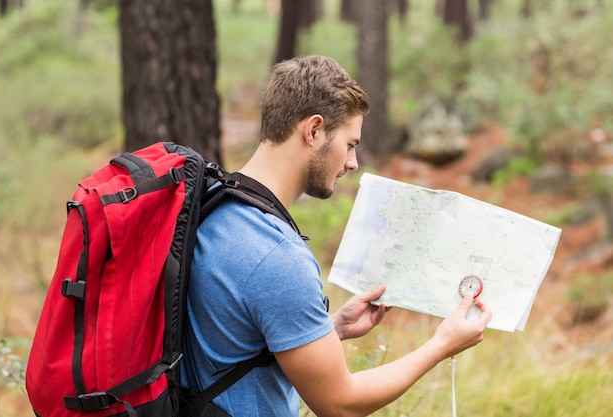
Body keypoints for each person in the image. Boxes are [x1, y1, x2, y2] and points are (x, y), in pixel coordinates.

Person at [180, 55, 492, 417]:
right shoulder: (276, 256)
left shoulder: (211, 202)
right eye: (350, 143)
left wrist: (330, 329)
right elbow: (339, 403)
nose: (353, 162)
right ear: (313, 130)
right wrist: (441, 345)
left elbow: (232, 335)